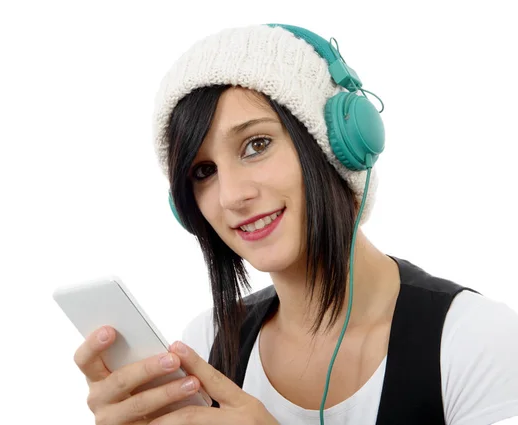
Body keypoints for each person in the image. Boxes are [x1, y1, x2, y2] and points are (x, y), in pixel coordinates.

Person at [73, 23, 518, 424]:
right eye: (203, 172)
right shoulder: (209, 343)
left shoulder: (475, 342)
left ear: (336, 146)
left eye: (257, 144)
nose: (232, 196)